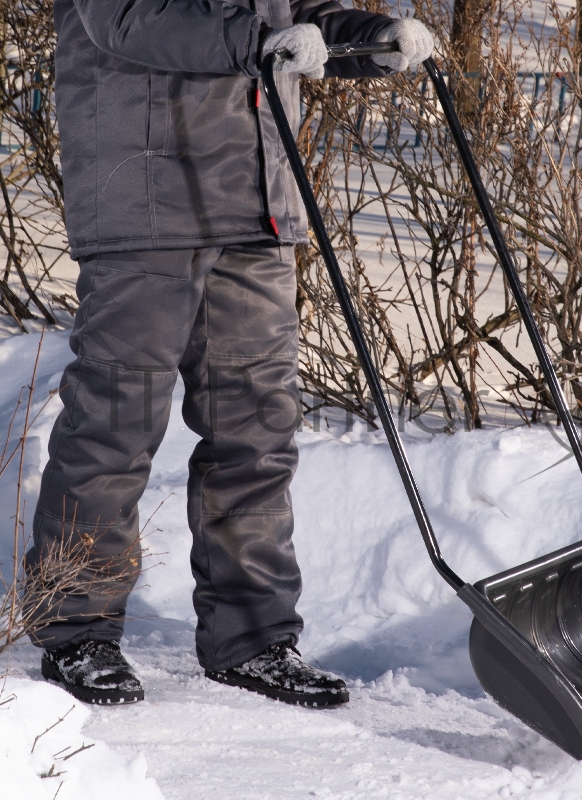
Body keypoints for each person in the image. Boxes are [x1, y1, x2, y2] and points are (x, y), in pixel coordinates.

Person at [27, 0, 433, 708]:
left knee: (257, 429)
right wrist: (261, 40)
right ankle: (76, 630)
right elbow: (123, 19)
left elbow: (295, 15)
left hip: (258, 205)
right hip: (145, 201)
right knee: (116, 422)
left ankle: (253, 638)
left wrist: (369, 38)